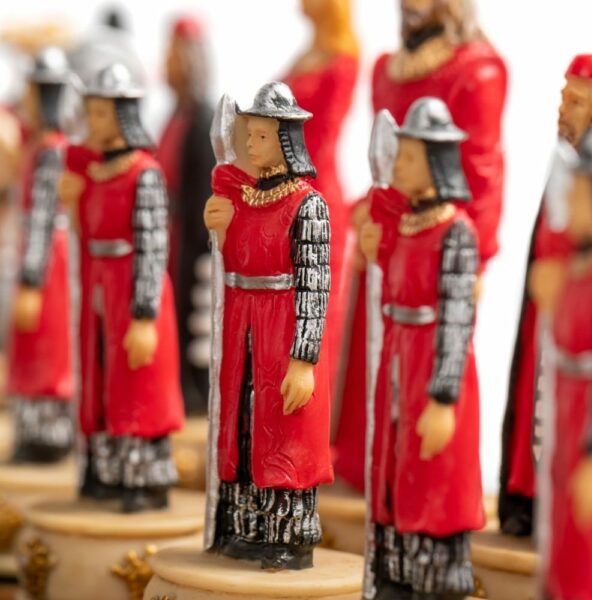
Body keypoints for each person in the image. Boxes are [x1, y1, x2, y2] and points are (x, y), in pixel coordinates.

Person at [333, 0, 506, 491]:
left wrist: (474, 258)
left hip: (439, 248)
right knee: (378, 355)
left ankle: (423, 481)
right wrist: (367, 206)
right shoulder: (384, 71)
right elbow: (388, 168)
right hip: (389, 239)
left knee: (428, 361)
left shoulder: (477, 70)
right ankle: (368, 464)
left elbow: (483, 170)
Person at [204, 82, 332, 570]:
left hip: (281, 328)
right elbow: (231, 263)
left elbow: (315, 286)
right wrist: (218, 230)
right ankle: (245, 527)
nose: (252, 145)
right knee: (242, 425)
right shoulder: (240, 198)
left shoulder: (309, 206)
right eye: (250, 135)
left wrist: (304, 358)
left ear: (285, 141)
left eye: (261, 136)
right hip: (242, 324)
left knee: (281, 428)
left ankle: (287, 534)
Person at [361, 98, 483, 599]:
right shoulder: (403, 225)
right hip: (397, 353)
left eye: (409, 157)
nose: (399, 165)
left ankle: (434, 578)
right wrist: (376, 252)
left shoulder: (457, 232)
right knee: (394, 465)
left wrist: (443, 396)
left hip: (430, 361)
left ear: (435, 161)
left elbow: (457, 317)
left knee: (431, 473)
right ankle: (396, 572)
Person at [75, 63, 184, 512]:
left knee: (137, 383)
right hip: (101, 287)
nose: (92, 122)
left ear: (122, 115)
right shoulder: (95, 174)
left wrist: (144, 313)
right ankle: (107, 469)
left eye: (101, 113)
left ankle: (144, 477)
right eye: (91, 112)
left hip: (130, 288)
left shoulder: (145, 174)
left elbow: (154, 246)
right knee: (101, 376)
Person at [500, 54, 592, 536]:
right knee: (534, 400)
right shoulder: (565, 162)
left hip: (582, 318)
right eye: (564, 98)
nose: (563, 109)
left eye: (575, 101)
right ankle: (529, 494)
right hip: (547, 310)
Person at [530, 128, 592, 600]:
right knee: (562, 526)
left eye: (578, 193)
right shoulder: (575, 272)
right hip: (567, 418)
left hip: (589, 421)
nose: (569, 203)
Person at [284, 0, 358, 396]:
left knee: (316, 300)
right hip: (289, 185)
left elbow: (324, 133)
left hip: (317, 188)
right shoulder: (305, 56)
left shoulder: (342, 60)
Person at [7, 47, 74, 463]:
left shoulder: (51, 151)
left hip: (48, 263)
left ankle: (49, 433)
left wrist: (32, 278)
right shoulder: (40, 148)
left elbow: (43, 217)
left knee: (47, 349)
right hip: (41, 257)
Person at [156, 16, 214, 414]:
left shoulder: (201, 120)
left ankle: (192, 389)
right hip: (172, 236)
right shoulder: (174, 117)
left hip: (191, 243)